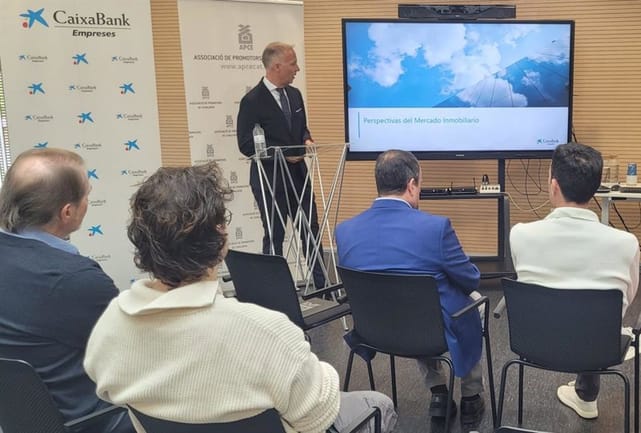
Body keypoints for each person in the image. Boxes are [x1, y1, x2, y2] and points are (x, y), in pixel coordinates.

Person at [83, 163, 396, 433]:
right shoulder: (267, 332)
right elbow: (318, 415)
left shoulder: (111, 325)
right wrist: (322, 372)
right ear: (221, 238)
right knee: (377, 403)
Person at [335, 150, 487, 429]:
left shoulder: (345, 231)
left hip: (375, 332)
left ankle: (438, 393)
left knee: (418, 305)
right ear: (412, 185)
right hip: (429, 331)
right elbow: (470, 281)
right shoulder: (435, 228)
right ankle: (470, 396)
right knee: (472, 302)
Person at [0, 148, 133, 433]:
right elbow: (135, 354)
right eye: (86, 194)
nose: (88, 201)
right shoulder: (76, 279)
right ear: (68, 212)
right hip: (96, 421)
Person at [509, 142, 640, 419]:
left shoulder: (520, 234)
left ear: (553, 185)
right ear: (595, 188)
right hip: (597, 344)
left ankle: (583, 393)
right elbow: (626, 298)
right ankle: (586, 393)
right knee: (594, 311)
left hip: (534, 342)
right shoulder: (626, 243)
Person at [237, 41, 325, 288]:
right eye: (293, 63)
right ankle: (271, 290)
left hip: (299, 177)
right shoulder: (252, 101)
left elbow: (301, 128)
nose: (297, 68)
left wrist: (306, 139)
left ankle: (323, 287)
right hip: (270, 180)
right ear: (276, 66)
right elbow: (245, 145)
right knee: (275, 236)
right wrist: (280, 155)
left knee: (311, 231)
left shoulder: (295, 94)